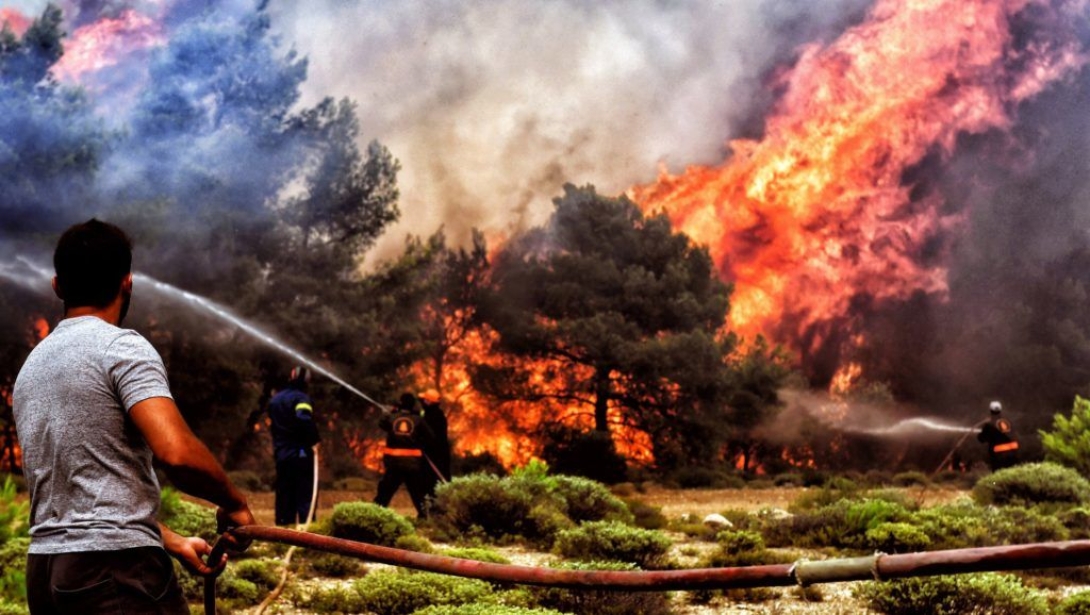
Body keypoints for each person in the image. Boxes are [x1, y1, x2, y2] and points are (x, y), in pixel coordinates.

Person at [12, 219, 255, 614]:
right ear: (128, 282)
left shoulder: (33, 367)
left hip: (46, 573)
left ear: (57, 285)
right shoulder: (121, 348)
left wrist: (170, 540)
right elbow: (176, 453)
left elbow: (84, 498)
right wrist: (234, 502)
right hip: (116, 574)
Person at [267, 365, 321, 526]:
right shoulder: (302, 399)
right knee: (305, 494)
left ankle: (283, 531)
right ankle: (307, 532)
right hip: (300, 453)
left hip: (282, 454)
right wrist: (314, 440)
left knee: (284, 493)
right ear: (307, 381)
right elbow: (303, 419)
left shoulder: (275, 399)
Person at [374, 392, 434, 517]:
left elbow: (382, 424)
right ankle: (425, 517)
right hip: (412, 465)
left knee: (385, 492)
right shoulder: (418, 420)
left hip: (394, 464)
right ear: (413, 405)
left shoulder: (392, 418)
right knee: (418, 493)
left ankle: (375, 515)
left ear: (400, 404)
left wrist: (388, 412)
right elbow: (430, 437)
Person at [419, 388, 451, 500]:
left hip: (433, 455)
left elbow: (427, 435)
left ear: (428, 402)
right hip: (440, 454)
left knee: (432, 483)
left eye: (423, 400)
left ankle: (434, 510)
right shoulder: (437, 414)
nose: (421, 402)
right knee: (438, 483)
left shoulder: (432, 417)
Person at [978, 400, 1019, 471]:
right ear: (1000, 410)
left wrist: (980, 434)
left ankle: (995, 482)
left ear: (990, 410)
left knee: (997, 474)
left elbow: (982, 439)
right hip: (1013, 454)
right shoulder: (1008, 421)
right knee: (1011, 473)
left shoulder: (989, 424)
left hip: (998, 456)